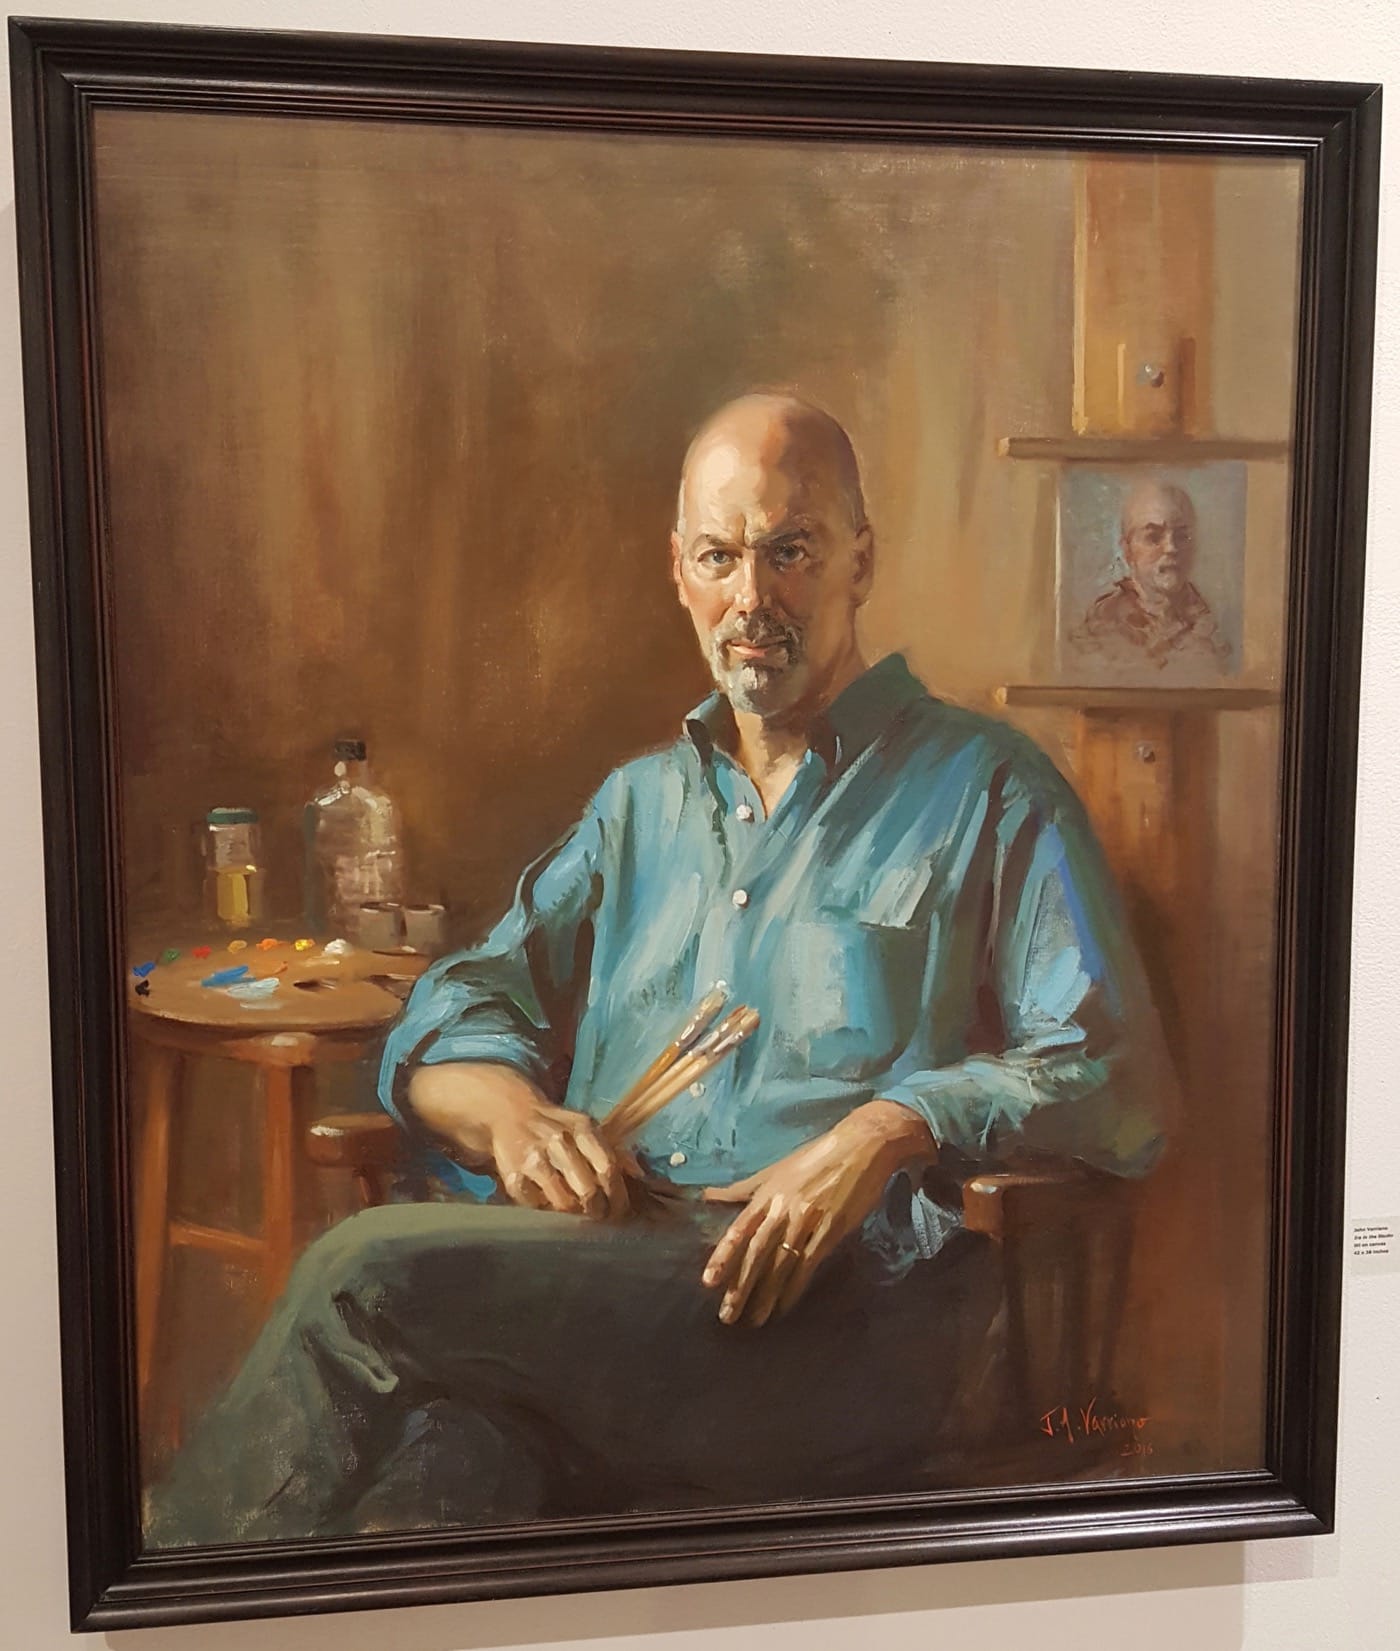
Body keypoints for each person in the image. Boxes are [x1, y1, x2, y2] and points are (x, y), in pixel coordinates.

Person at [147, 394, 1170, 1547]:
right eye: (719, 556)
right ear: (678, 572)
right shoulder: (640, 805)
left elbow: (1113, 1075)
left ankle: (166, 1565)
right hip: (601, 1297)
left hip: (832, 1326)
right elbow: (459, 1007)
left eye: (790, 551)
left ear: (860, 561)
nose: (751, 598)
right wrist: (512, 1113)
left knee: (358, 1275)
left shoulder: (986, 787)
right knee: (439, 1476)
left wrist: (889, 1125)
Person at [1074, 478, 1230, 670]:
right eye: (1153, 537)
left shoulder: (1213, 631)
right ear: (1127, 550)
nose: (1171, 548)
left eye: (1182, 536)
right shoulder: (1099, 626)